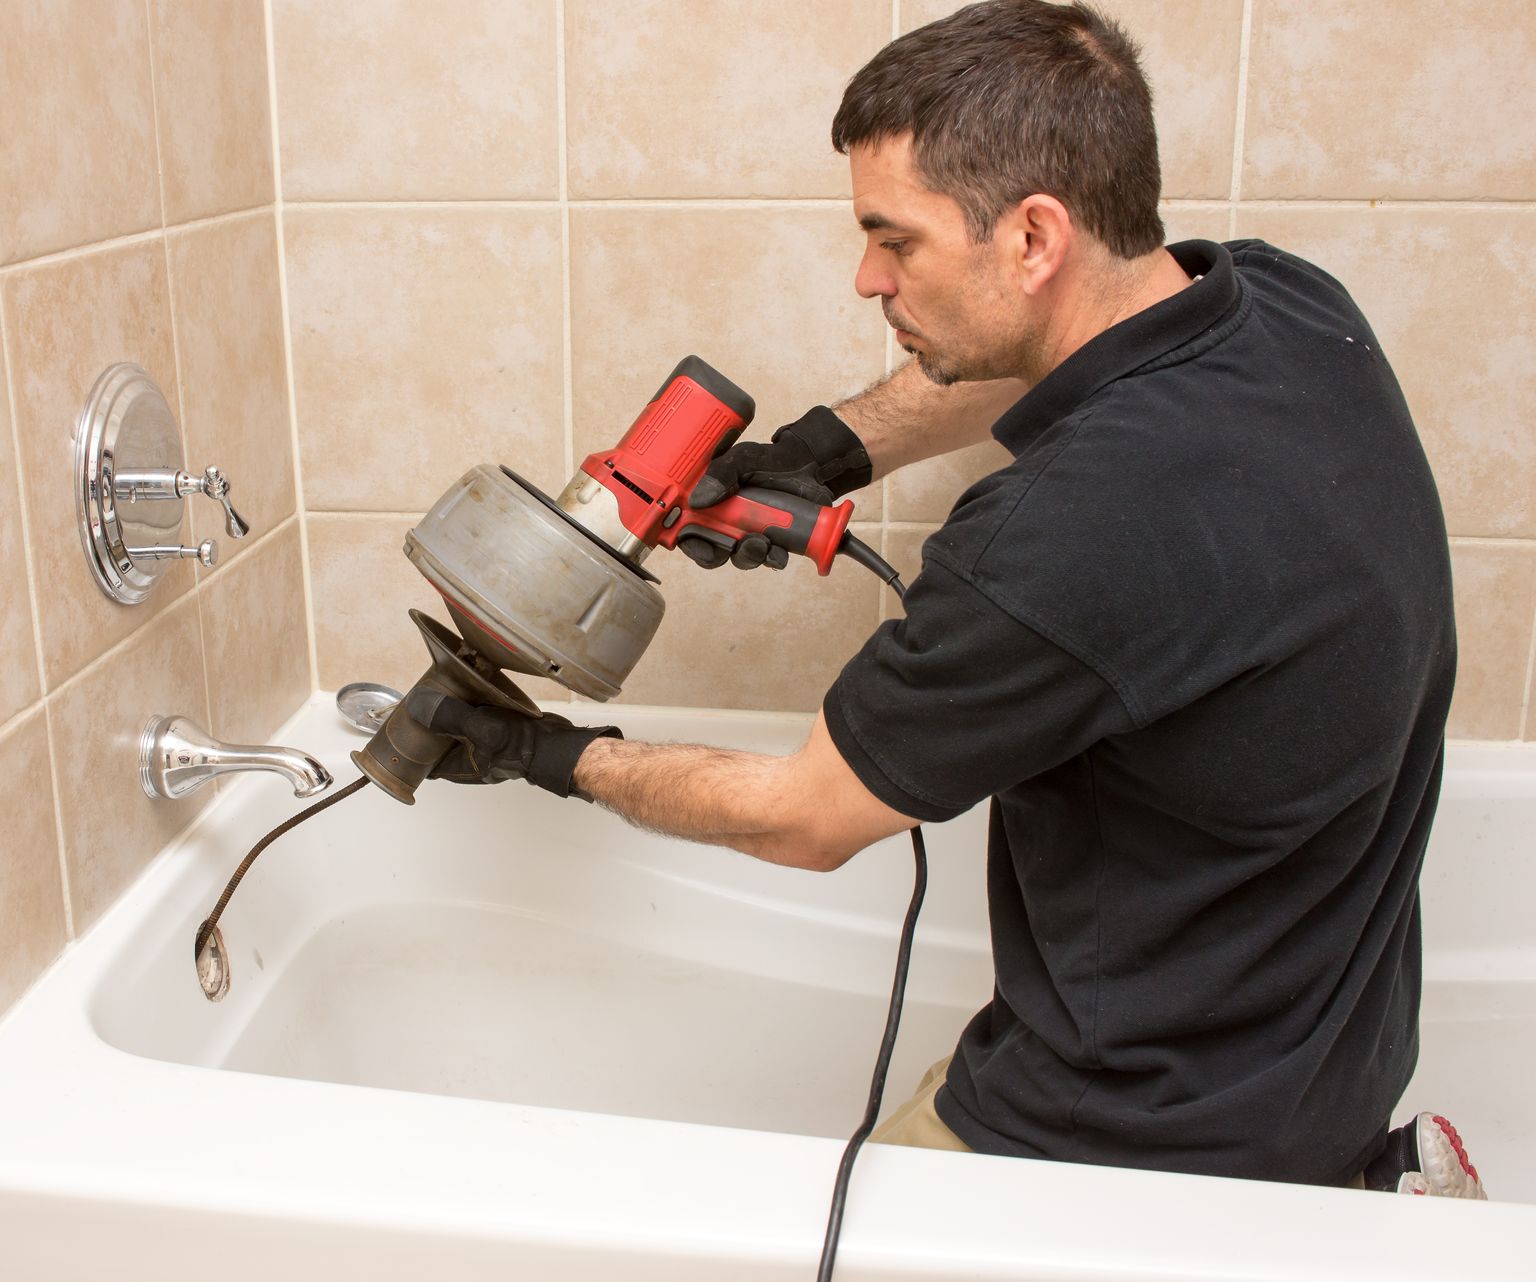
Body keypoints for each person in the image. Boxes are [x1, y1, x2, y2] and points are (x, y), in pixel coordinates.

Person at [405, 0, 1483, 1197]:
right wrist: (827, 450)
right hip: (1321, 1065)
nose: (867, 276)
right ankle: (1362, 1190)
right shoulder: (1286, 307)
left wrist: (549, 752)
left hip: (1130, 1144)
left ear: (1033, 237)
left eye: (896, 241)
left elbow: (804, 819)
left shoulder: (1066, 534)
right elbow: (1052, 348)